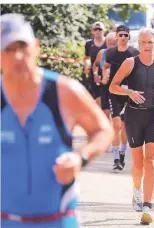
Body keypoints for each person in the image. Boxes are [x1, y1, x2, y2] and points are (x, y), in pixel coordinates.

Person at [1, 13, 113, 228]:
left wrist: (80, 158)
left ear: (36, 47)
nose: (17, 56)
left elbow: (103, 130)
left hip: (58, 220)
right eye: (8, 49)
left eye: (22, 47)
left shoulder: (63, 91)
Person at [109, 28, 154, 225]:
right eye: (143, 42)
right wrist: (129, 93)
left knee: (150, 161)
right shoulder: (130, 63)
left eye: (150, 42)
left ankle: (147, 205)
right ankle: (137, 190)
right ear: (139, 44)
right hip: (133, 116)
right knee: (138, 163)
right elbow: (113, 86)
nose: (146, 46)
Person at [102, 25, 139, 170]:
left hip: (129, 92)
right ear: (116, 36)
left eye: (125, 35)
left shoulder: (134, 53)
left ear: (129, 37)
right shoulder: (110, 53)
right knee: (116, 124)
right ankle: (116, 159)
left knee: (124, 127)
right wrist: (105, 75)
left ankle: (123, 154)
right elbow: (105, 67)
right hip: (114, 91)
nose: (123, 37)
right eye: (121, 35)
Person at [92, 32, 117, 118]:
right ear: (106, 43)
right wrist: (95, 73)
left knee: (117, 116)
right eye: (110, 43)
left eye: (114, 44)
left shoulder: (123, 55)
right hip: (105, 85)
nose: (112, 46)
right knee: (105, 112)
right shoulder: (102, 53)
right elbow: (95, 64)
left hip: (117, 86)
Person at [84, 21, 107, 106]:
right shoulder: (89, 44)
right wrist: (87, 65)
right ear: (92, 31)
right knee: (98, 97)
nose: (98, 31)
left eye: (100, 29)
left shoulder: (108, 42)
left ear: (104, 31)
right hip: (94, 74)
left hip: (107, 73)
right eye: (95, 29)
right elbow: (87, 58)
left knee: (106, 98)